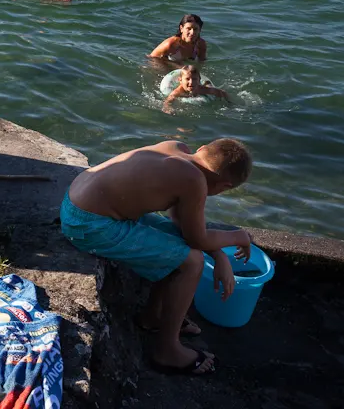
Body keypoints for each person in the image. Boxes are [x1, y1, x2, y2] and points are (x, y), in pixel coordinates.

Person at [60, 138, 253, 376]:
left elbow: (182, 226)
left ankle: (153, 317)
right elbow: (196, 241)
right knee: (192, 262)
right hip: (90, 225)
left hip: (77, 206)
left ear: (202, 149)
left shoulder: (177, 148)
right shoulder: (194, 182)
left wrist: (219, 255)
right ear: (224, 185)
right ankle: (167, 350)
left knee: (181, 248)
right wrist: (238, 237)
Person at [162, 64, 229, 112]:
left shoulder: (200, 89)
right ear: (180, 80)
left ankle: (206, 82)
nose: (191, 82)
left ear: (199, 79)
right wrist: (168, 108)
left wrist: (229, 103)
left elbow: (221, 92)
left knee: (208, 86)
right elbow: (167, 102)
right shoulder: (178, 92)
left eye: (194, 79)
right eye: (187, 79)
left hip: (201, 86)